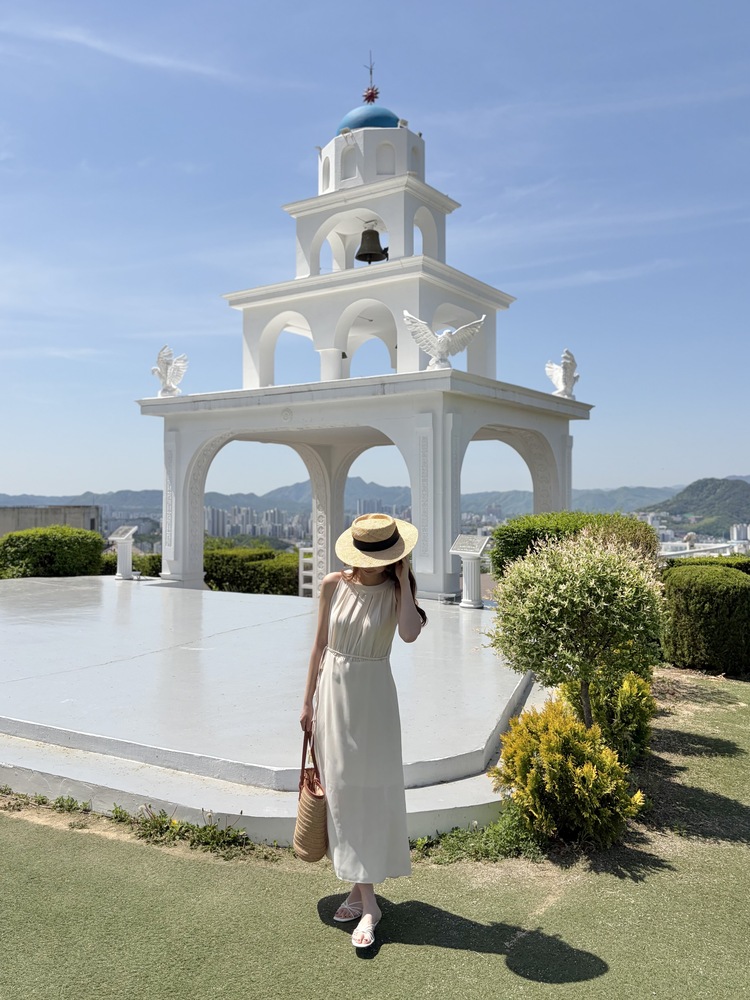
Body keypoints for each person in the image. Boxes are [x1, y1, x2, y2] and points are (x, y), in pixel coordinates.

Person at [300, 512, 427, 949]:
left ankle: (367, 900)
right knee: (341, 788)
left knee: (370, 791)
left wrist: (404, 578)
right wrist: (306, 702)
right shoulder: (332, 584)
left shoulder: (396, 591)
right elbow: (318, 645)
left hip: (373, 701)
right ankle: (363, 894)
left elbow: (409, 634)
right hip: (332, 697)